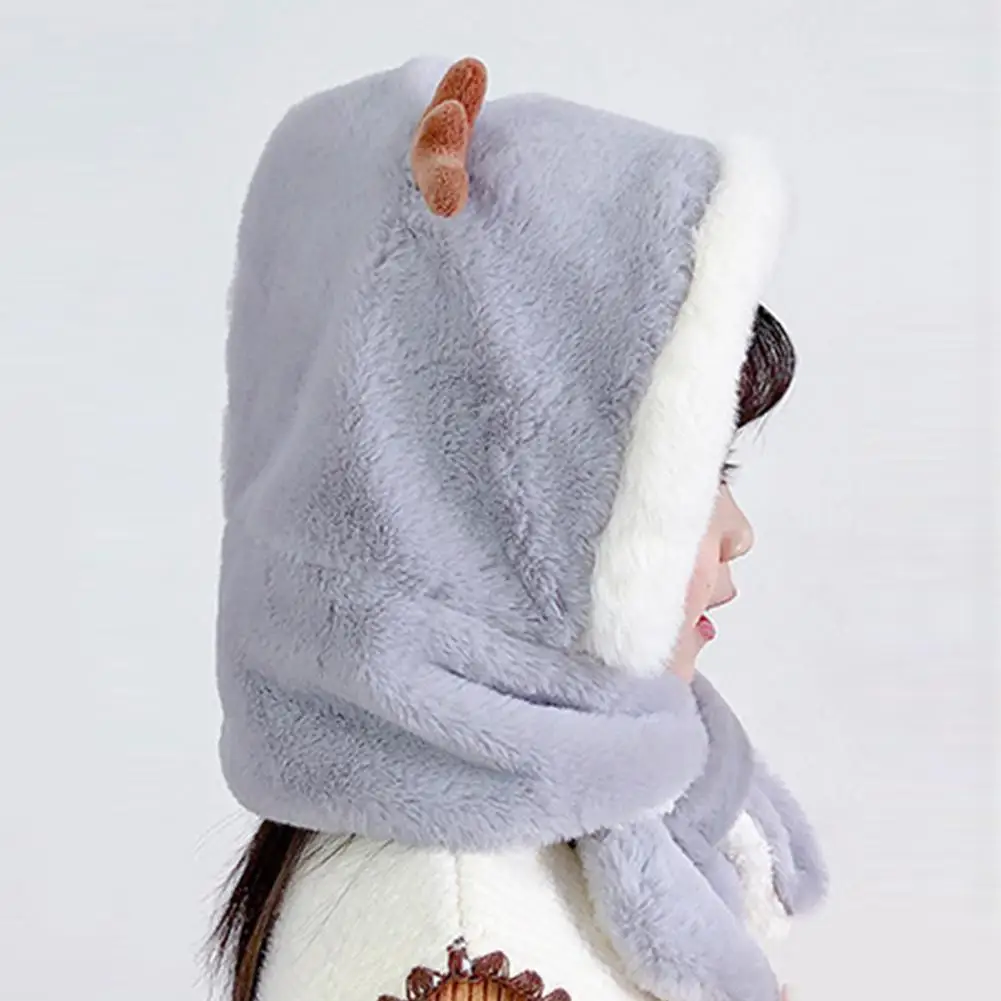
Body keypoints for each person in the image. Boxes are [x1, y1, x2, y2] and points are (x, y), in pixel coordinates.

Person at [210, 55, 827, 1001]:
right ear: (494, 507)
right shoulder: (459, 927)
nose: (735, 531)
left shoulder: (519, 837)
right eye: (693, 473)